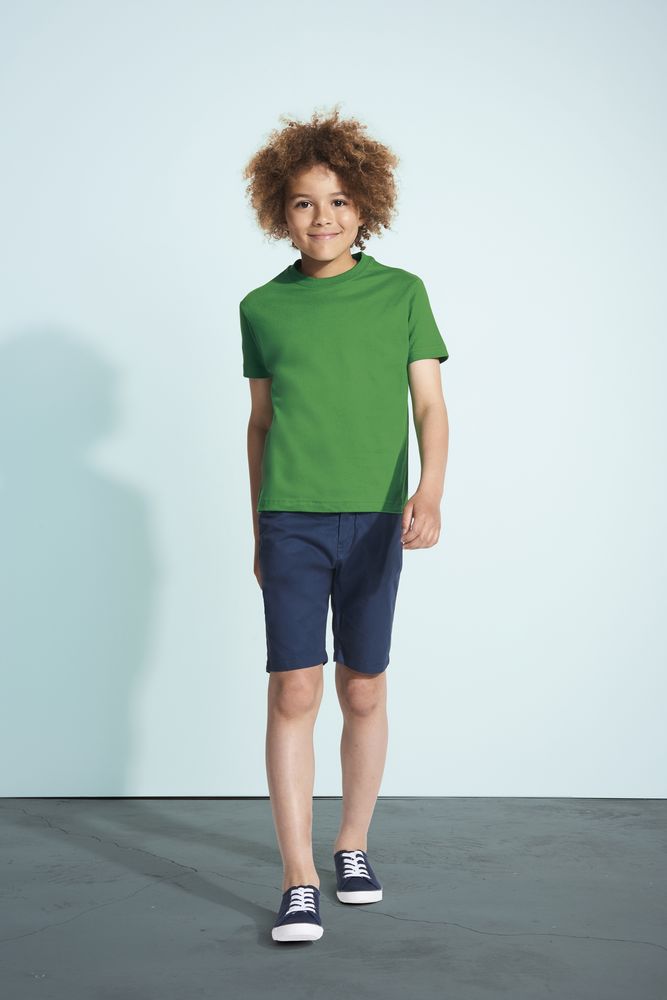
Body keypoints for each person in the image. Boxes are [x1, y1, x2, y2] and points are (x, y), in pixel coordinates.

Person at [239, 106, 450, 943]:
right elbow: (260, 424)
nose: (321, 217)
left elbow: (428, 406)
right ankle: (297, 877)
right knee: (294, 686)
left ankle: (351, 844)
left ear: (365, 206)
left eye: (337, 201)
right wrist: (258, 528)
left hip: (373, 518)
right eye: (302, 202)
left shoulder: (402, 293)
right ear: (279, 212)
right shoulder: (262, 307)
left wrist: (429, 491)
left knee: (362, 685)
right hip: (290, 516)